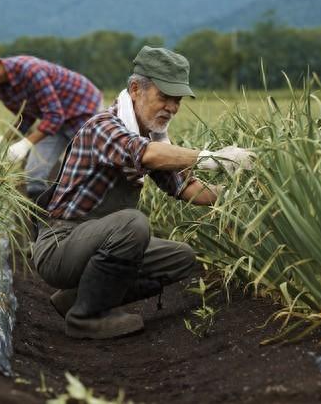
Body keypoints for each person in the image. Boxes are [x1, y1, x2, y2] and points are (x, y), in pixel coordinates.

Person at [32, 46, 255, 339]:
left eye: (177, 100)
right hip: (60, 246)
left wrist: (242, 195)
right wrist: (213, 158)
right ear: (135, 89)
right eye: (164, 97)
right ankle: (86, 319)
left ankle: (78, 300)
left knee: (181, 258)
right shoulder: (103, 126)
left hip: (95, 241)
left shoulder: (150, 137)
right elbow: (144, 155)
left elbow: (187, 188)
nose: (172, 108)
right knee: (133, 224)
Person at [0, 46, 103, 200]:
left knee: (92, 169)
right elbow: (26, 118)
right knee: (34, 175)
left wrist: (25, 144)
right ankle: (43, 222)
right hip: (53, 122)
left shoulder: (30, 71)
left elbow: (54, 116)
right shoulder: (1, 91)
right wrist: (1, 143)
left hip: (83, 110)